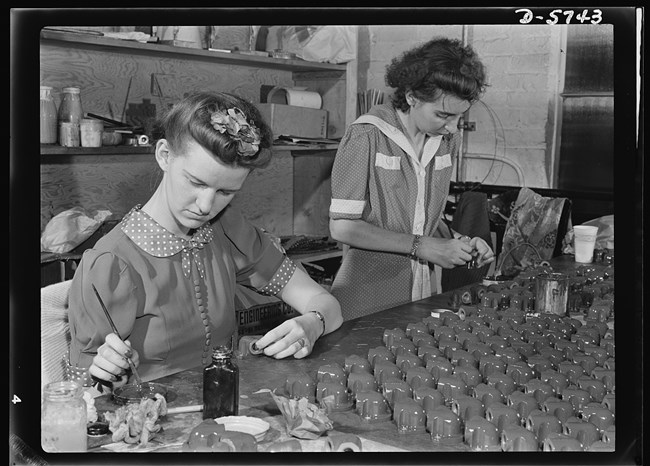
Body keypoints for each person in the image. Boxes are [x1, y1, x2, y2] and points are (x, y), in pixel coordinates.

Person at [67, 91, 343, 388]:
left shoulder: (227, 229)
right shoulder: (110, 263)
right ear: (164, 155)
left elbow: (326, 304)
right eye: (196, 183)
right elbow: (80, 394)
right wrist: (102, 373)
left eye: (226, 192)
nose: (205, 205)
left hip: (229, 407)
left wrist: (313, 323)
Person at [329, 37, 495, 320]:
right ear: (412, 97)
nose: (453, 127)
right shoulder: (366, 135)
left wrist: (460, 242)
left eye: (460, 116)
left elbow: (422, 217)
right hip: (368, 291)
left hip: (423, 290)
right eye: (443, 114)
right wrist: (422, 246)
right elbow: (342, 228)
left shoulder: (446, 140)